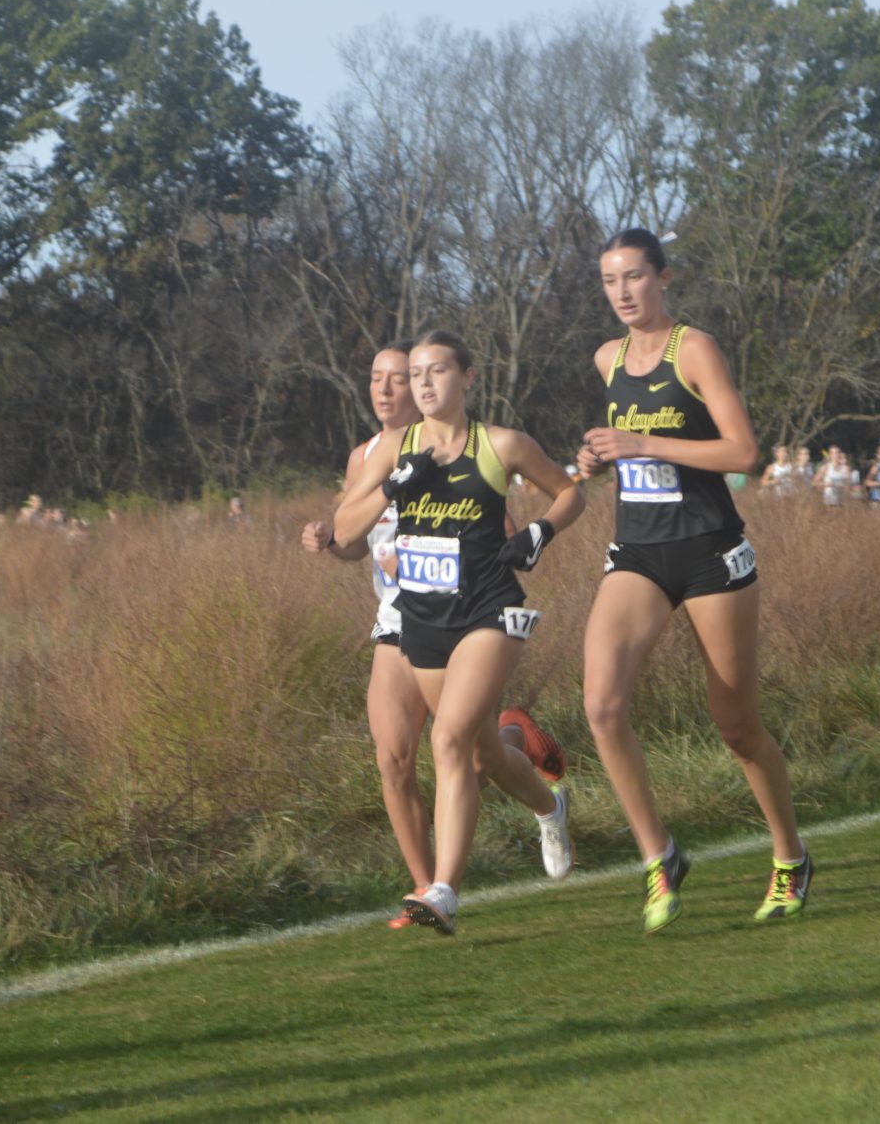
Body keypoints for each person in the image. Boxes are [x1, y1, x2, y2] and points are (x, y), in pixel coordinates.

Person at [577, 229, 811, 932]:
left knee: (736, 727)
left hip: (710, 551)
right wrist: (599, 459)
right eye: (611, 280)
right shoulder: (606, 357)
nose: (622, 292)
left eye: (635, 277)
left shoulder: (694, 348)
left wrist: (643, 443)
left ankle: (791, 858)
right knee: (601, 705)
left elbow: (743, 452)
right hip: (639, 552)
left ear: (664, 277)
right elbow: (630, 453)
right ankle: (660, 857)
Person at [334, 331, 583, 934]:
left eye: (436, 371)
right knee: (479, 751)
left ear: (467, 377)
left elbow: (570, 491)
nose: (422, 383)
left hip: (489, 610)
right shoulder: (395, 447)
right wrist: (394, 485)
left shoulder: (501, 444)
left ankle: (443, 890)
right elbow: (344, 530)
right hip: (421, 617)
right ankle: (550, 807)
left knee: (446, 740)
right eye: (415, 373)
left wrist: (539, 534)